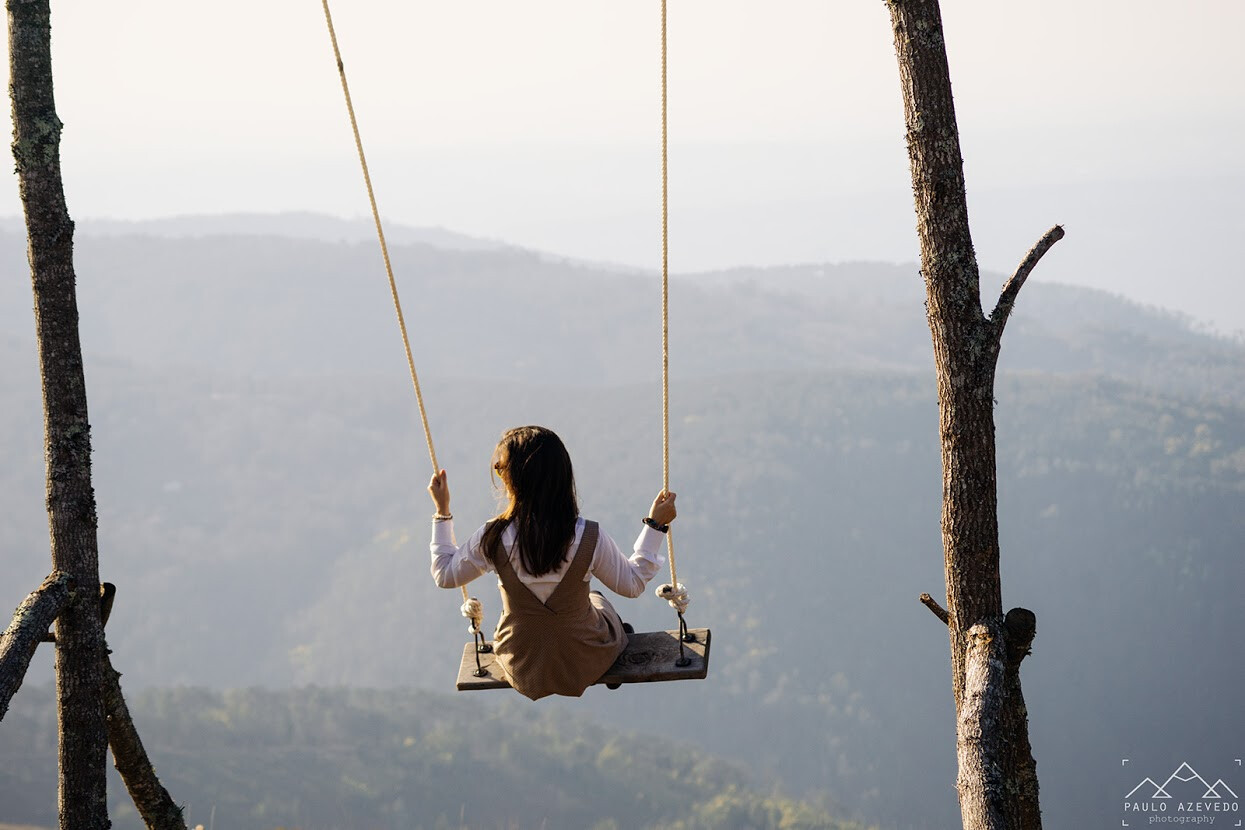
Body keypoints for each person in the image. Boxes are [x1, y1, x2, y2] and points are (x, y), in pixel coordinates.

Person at [429, 425, 677, 700]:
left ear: (514, 479)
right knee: (597, 599)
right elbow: (632, 584)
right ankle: (612, 642)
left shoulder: (494, 536)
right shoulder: (587, 535)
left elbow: (444, 575)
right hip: (584, 659)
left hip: (521, 663)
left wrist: (442, 512)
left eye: (500, 469)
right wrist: (655, 526)